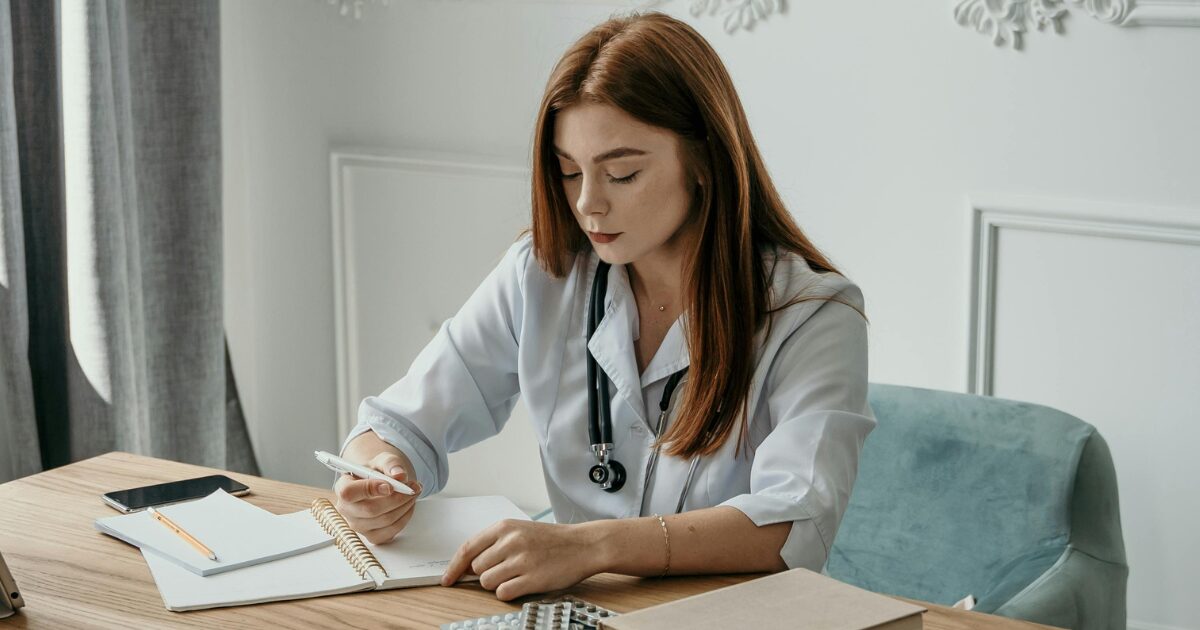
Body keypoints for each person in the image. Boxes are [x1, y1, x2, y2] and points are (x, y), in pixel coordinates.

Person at [335, 11, 875, 602]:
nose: (589, 204)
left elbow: (794, 521)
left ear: (703, 160)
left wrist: (593, 546)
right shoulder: (541, 276)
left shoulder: (814, 316)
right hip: (576, 611)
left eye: (622, 173)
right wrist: (379, 475)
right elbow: (399, 423)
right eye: (569, 172)